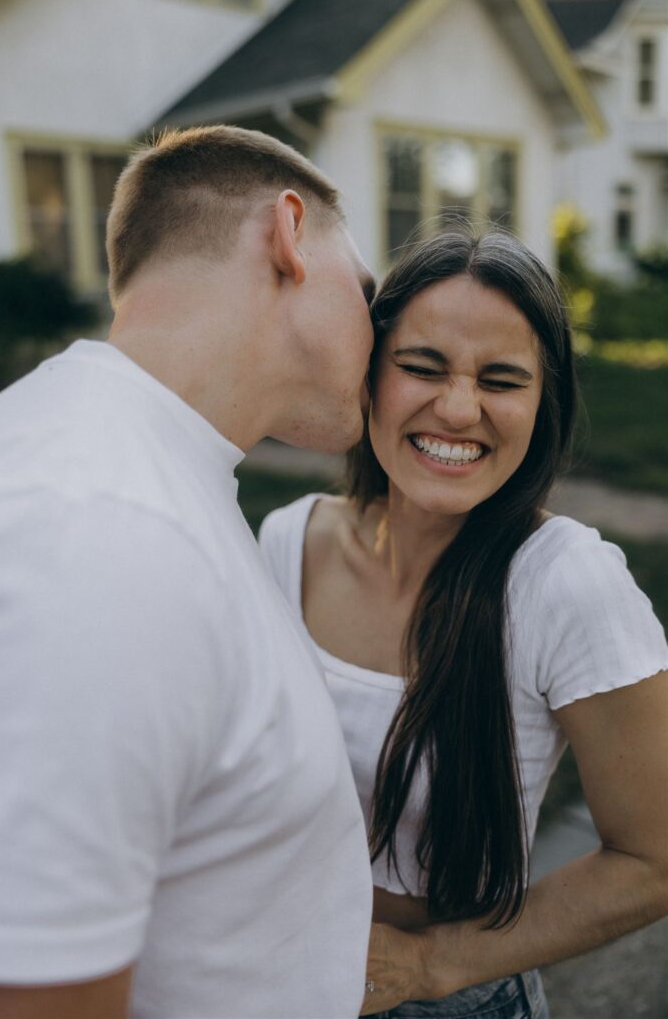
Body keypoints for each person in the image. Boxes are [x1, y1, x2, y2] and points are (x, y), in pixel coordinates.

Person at [0, 125, 378, 1019]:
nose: (380, 334)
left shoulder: (142, 476)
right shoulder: (98, 528)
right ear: (288, 235)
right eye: (365, 290)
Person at [259, 227, 668, 1019]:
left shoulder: (566, 584)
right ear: (367, 371)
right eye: (421, 366)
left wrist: (435, 962)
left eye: (501, 379)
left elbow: (653, 858)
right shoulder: (285, 539)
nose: (456, 408)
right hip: (268, 978)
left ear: (541, 405)